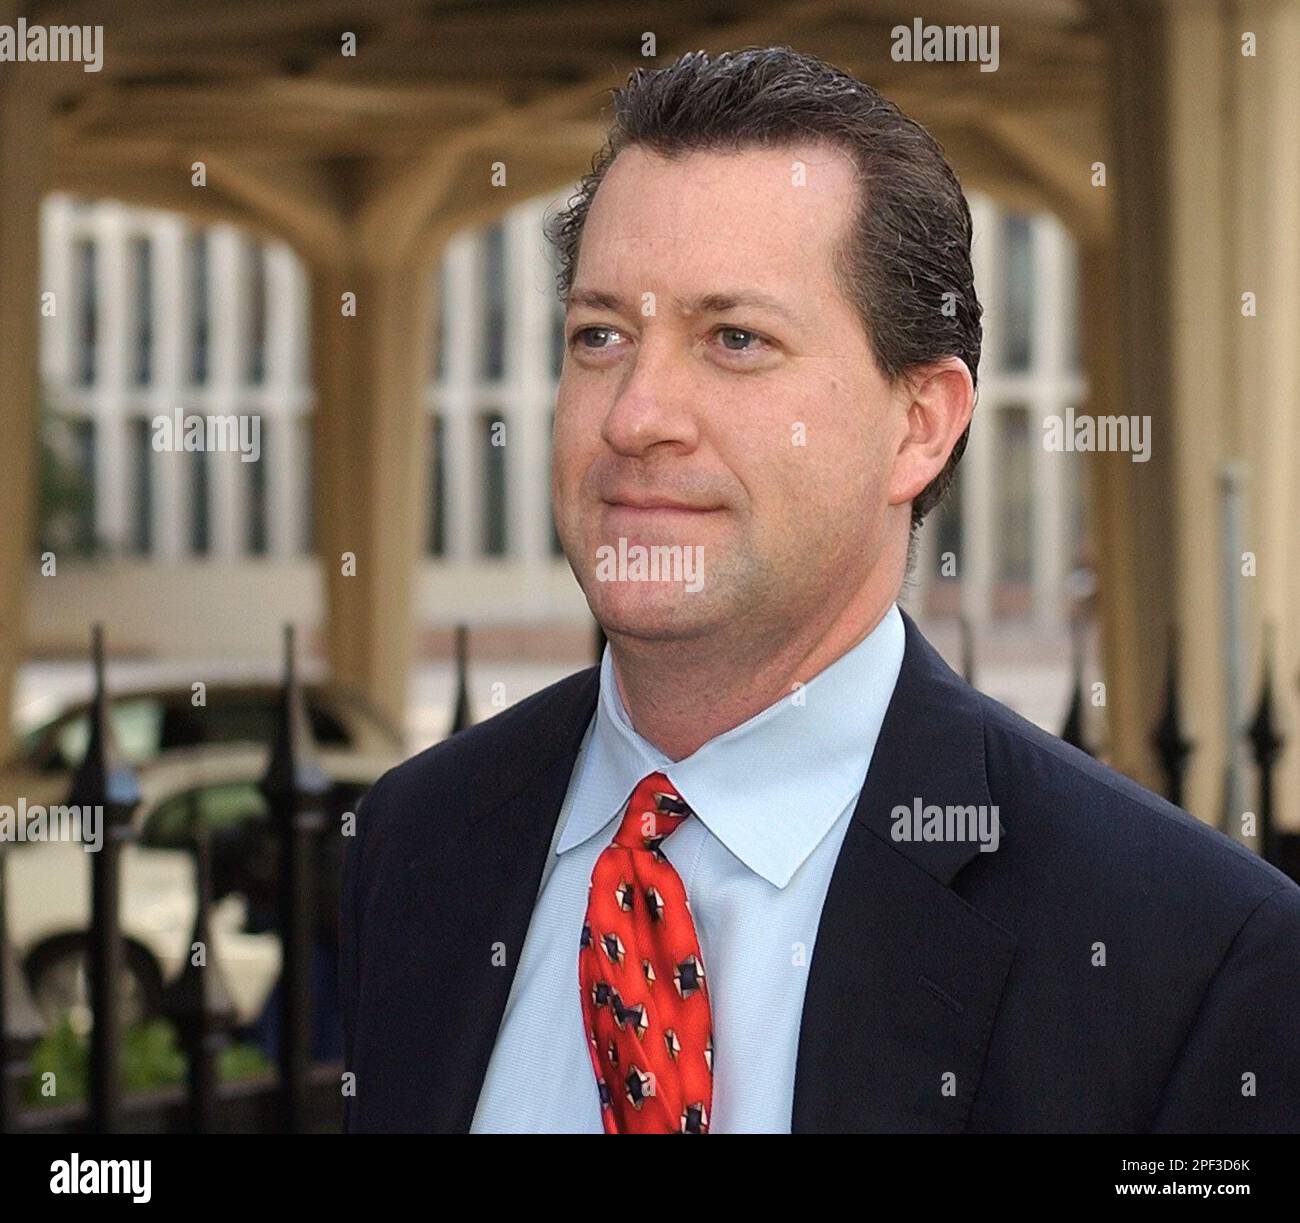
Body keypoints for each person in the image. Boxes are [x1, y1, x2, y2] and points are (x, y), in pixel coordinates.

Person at [340, 47, 1300, 1134]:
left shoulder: (1191, 951)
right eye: (600, 334)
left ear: (918, 425)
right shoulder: (413, 845)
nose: (634, 414)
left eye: (734, 339)